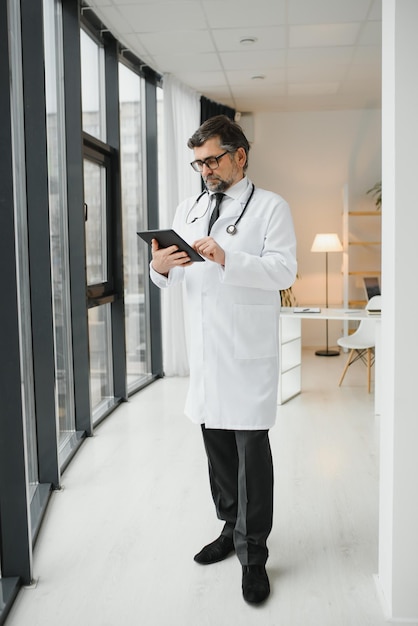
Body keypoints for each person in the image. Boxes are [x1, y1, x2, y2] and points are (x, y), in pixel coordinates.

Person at [150, 115, 297, 604]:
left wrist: (227, 257)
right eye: (197, 163)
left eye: (211, 159)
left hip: (246, 354)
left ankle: (254, 555)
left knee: (251, 457)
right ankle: (228, 529)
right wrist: (159, 267)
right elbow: (174, 277)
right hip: (207, 354)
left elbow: (283, 270)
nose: (204, 170)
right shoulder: (189, 206)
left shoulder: (271, 207)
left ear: (240, 154)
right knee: (216, 450)